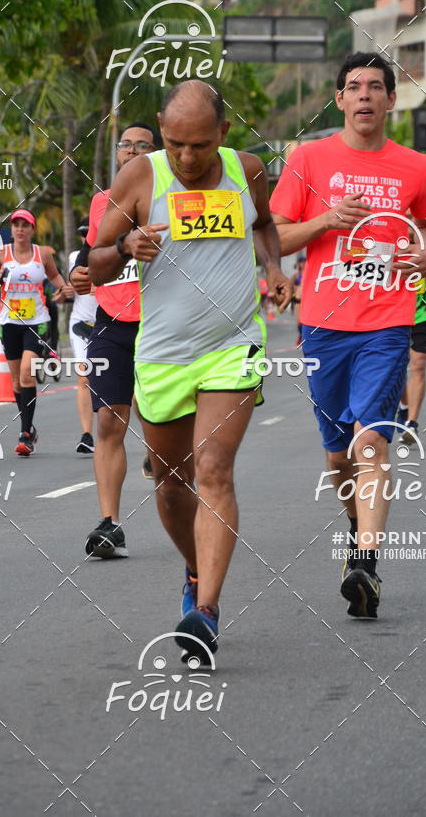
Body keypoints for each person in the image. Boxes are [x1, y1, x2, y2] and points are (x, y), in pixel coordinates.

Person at [89, 80, 292, 660]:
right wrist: (126, 246)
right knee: (171, 484)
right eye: (175, 143)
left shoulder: (248, 170)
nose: (185, 157)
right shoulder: (140, 178)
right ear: (161, 129)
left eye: (199, 145)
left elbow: (264, 224)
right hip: (162, 353)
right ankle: (195, 569)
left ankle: (205, 612)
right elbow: (95, 263)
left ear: (223, 135)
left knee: (213, 469)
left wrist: (275, 267)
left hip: (232, 344)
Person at [270, 52, 426, 619]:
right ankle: (354, 528)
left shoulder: (415, 166)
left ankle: (366, 563)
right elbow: (272, 237)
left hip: (388, 323)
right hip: (323, 323)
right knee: (337, 454)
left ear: (392, 100)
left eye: (376, 86)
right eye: (354, 87)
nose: (365, 95)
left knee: (372, 442)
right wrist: (326, 221)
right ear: (340, 100)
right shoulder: (310, 158)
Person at [72, 123, 162, 560]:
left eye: (140, 145)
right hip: (111, 322)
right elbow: (92, 252)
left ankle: (161, 460)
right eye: (124, 145)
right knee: (109, 422)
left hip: (162, 325)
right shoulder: (100, 202)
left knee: (160, 426)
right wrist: (78, 271)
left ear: (154, 154)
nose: (130, 151)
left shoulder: (169, 200)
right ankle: (110, 525)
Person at [0, 208, 70, 456]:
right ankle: (29, 427)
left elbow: (56, 278)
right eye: (16, 225)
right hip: (9, 322)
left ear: (32, 229)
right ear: (11, 229)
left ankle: (24, 435)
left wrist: (64, 291)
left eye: (25, 225)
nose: (20, 229)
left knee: (26, 375)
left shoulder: (42, 254)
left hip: (37, 321)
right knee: (16, 383)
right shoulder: (1, 254)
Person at [68, 221, 98, 454]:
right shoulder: (75, 258)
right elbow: (70, 287)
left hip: (110, 324)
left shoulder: (117, 256)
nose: (87, 238)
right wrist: (65, 292)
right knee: (83, 378)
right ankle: (87, 435)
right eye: (84, 235)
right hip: (80, 323)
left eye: (91, 233)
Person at [398, 273, 426, 445]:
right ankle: (404, 406)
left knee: (418, 365)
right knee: (395, 369)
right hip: (391, 315)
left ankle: (411, 424)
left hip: (422, 313)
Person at [291, 255, 306, 346]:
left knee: (306, 321)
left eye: (304, 262)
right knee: (299, 321)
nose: (303, 264)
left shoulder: (310, 272)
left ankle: (304, 338)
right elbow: (290, 284)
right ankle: (301, 336)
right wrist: (296, 288)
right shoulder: (297, 274)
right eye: (301, 262)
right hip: (298, 300)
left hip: (308, 300)